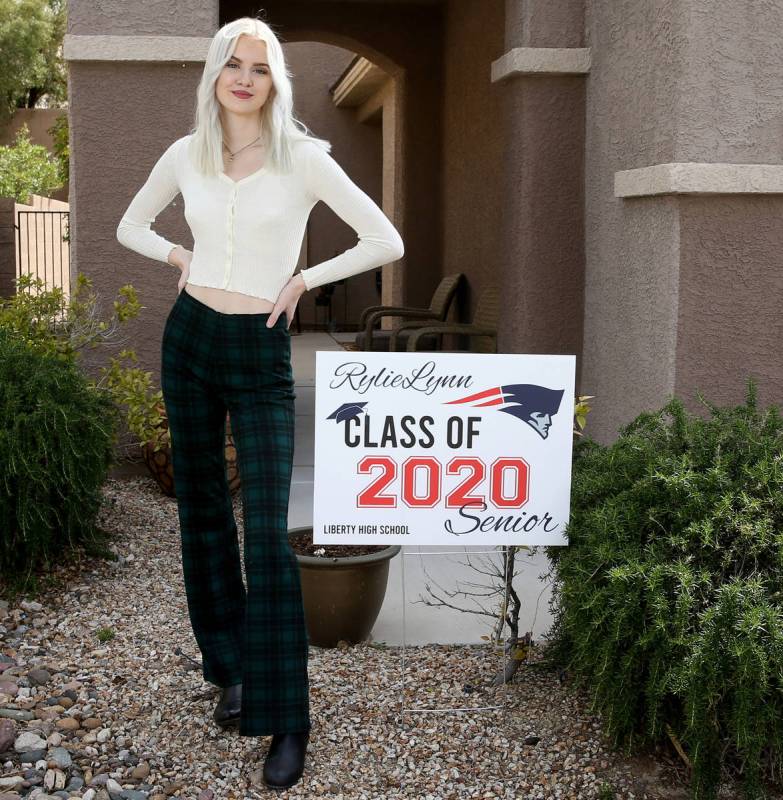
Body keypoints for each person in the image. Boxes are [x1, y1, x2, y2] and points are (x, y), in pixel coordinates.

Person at [115, 15, 404, 791]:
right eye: (232, 64)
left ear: (276, 81)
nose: (244, 77)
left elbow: (385, 240)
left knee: (267, 533)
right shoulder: (189, 155)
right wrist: (181, 254)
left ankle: (288, 720)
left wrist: (304, 280)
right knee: (203, 511)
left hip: (260, 349)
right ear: (215, 73)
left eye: (261, 67)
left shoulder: (303, 160)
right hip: (191, 342)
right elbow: (129, 225)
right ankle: (230, 672)